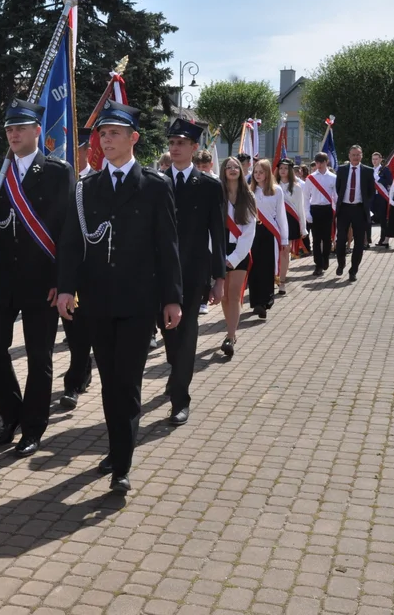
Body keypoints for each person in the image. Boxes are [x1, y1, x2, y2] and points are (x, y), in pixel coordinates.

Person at [56, 100, 182, 493]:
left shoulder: (154, 185)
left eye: (114, 133)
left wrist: (172, 298)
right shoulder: (86, 188)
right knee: (110, 382)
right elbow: (72, 244)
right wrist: (64, 288)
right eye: (102, 134)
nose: (106, 140)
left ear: (133, 138)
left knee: (127, 381)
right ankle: (116, 446)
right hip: (97, 301)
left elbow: (168, 246)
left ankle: (122, 465)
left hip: (138, 302)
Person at [0, 99, 74, 456]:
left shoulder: (58, 172)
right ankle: (11, 415)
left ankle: (33, 427)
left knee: (38, 357)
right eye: (9, 129)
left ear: (36, 131)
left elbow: (67, 232)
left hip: (41, 280)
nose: (13, 134)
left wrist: (63, 282)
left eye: (20, 128)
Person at [160, 118, 225, 426]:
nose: (175, 148)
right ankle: (176, 374)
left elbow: (218, 233)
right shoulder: (156, 182)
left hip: (192, 273)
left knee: (186, 336)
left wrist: (219, 278)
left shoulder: (209, 186)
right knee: (169, 335)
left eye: (181, 143)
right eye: (172, 143)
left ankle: (180, 399)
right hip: (158, 274)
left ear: (194, 147)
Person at [58, 128, 97, 409]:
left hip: (96, 269)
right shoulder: (59, 179)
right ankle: (76, 378)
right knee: (74, 330)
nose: (75, 151)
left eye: (79, 147)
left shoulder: (97, 181)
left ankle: (78, 376)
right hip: (69, 266)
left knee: (88, 329)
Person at [218, 157, 256, 355]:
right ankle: (229, 329)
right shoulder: (217, 195)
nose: (232, 170)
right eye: (228, 167)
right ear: (223, 171)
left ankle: (230, 336)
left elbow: (249, 233)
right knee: (223, 296)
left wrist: (233, 258)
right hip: (219, 248)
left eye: (236, 167)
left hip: (239, 251)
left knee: (234, 294)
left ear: (241, 171)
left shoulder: (248, 196)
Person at [249, 158, 287, 312]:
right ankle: (256, 302)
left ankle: (267, 299)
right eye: (255, 172)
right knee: (254, 266)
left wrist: (284, 238)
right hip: (252, 232)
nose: (258, 175)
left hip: (270, 232)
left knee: (267, 266)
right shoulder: (248, 190)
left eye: (261, 172)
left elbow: (281, 215)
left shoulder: (277, 190)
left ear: (267, 173)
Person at [333, 145, 375, 281]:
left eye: (358, 155)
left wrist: (364, 204)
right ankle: (341, 263)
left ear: (361, 156)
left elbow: (370, 191)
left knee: (358, 242)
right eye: (353, 155)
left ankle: (353, 270)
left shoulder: (368, 171)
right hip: (344, 208)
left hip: (359, 209)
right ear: (349, 156)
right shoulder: (342, 169)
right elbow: (338, 187)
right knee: (341, 240)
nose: (355, 157)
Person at [304, 152, 337, 276]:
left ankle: (326, 258)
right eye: (317, 162)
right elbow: (306, 197)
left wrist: (336, 209)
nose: (319, 165)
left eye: (321, 162)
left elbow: (336, 196)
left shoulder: (333, 177)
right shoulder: (310, 178)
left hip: (327, 210)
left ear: (326, 162)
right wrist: (307, 213)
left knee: (327, 238)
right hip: (315, 209)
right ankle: (318, 265)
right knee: (316, 239)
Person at [276, 158, 306, 294]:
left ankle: (282, 282)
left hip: (291, 222)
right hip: (274, 221)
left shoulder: (297, 187)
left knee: (285, 252)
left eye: (286, 168)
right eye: (281, 168)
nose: (283, 171)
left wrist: (303, 227)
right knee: (273, 252)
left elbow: (301, 209)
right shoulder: (272, 185)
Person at [369, 151, 388, 241]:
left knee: (382, 219)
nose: (374, 161)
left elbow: (389, 182)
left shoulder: (385, 170)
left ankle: (383, 239)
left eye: (376, 159)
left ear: (380, 159)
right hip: (372, 197)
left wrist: (378, 178)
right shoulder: (369, 170)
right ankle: (367, 239)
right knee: (368, 217)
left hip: (381, 197)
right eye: (373, 159)